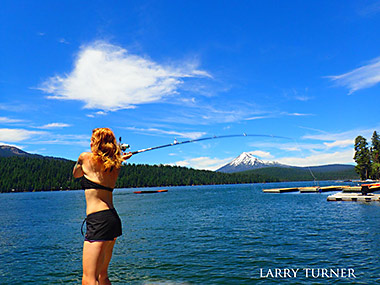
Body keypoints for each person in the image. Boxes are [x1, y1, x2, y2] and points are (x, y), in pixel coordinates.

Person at [73, 128, 132, 285]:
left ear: (97, 142)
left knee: (88, 278)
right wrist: (118, 156)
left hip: (98, 220)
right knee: (102, 276)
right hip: (112, 219)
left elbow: (76, 174)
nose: (90, 142)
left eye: (93, 139)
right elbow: (109, 161)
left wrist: (117, 156)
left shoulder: (85, 158)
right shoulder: (116, 165)